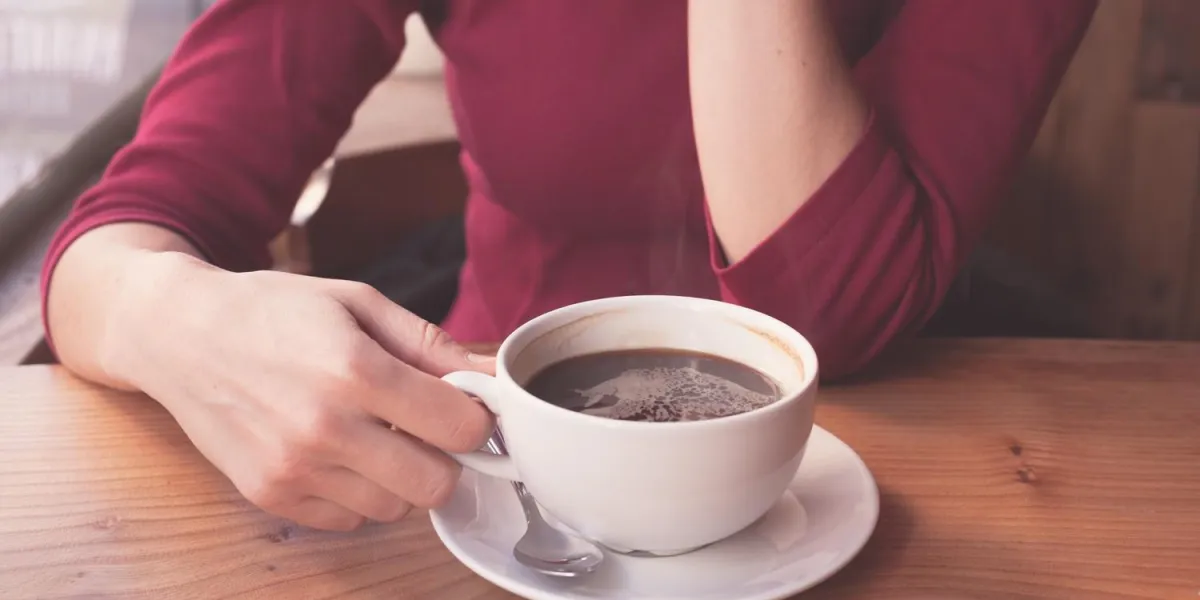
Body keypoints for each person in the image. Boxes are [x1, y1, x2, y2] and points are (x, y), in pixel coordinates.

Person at [40, 0, 1097, 531]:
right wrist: (179, 319)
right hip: (496, 469)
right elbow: (120, 236)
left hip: (902, 465)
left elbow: (831, 309)